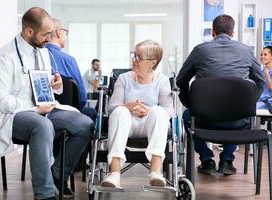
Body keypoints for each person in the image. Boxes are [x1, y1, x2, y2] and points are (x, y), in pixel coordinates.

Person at [0, 7, 94, 200]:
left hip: (45, 109)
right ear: (29, 32)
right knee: (42, 125)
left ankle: (55, 174)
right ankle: (44, 195)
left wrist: (57, 85)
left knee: (84, 124)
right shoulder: (3, 58)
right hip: (14, 116)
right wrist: (34, 109)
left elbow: (42, 86)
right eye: (46, 34)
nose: (50, 38)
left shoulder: (42, 51)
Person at [176, 14, 265, 176]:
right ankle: (226, 160)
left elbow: (180, 80)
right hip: (238, 122)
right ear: (232, 33)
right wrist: (248, 106)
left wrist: (192, 104)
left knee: (187, 116)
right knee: (234, 114)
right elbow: (261, 82)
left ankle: (207, 160)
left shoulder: (200, 50)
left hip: (204, 120)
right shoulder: (246, 51)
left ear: (213, 32)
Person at [100, 40, 173, 188]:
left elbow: (169, 110)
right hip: (127, 125)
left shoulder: (162, 80)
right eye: (134, 55)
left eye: (138, 57)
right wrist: (128, 106)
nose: (134, 60)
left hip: (151, 126)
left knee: (159, 111)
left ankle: (155, 172)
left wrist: (149, 110)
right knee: (120, 111)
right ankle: (114, 174)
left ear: (152, 62)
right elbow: (112, 108)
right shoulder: (123, 79)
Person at [46, 18, 97, 121]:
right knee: (91, 112)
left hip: (41, 111)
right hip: (68, 113)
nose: (66, 36)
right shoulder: (69, 61)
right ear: (59, 32)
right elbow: (82, 98)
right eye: (66, 32)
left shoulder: (36, 56)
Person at [257, 46, 272, 111]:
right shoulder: (263, 70)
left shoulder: (266, 72)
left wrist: (267, 75)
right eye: (261, 55)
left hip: (268, 103)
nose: (262, 57)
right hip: (260, 101)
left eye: (265, 55)